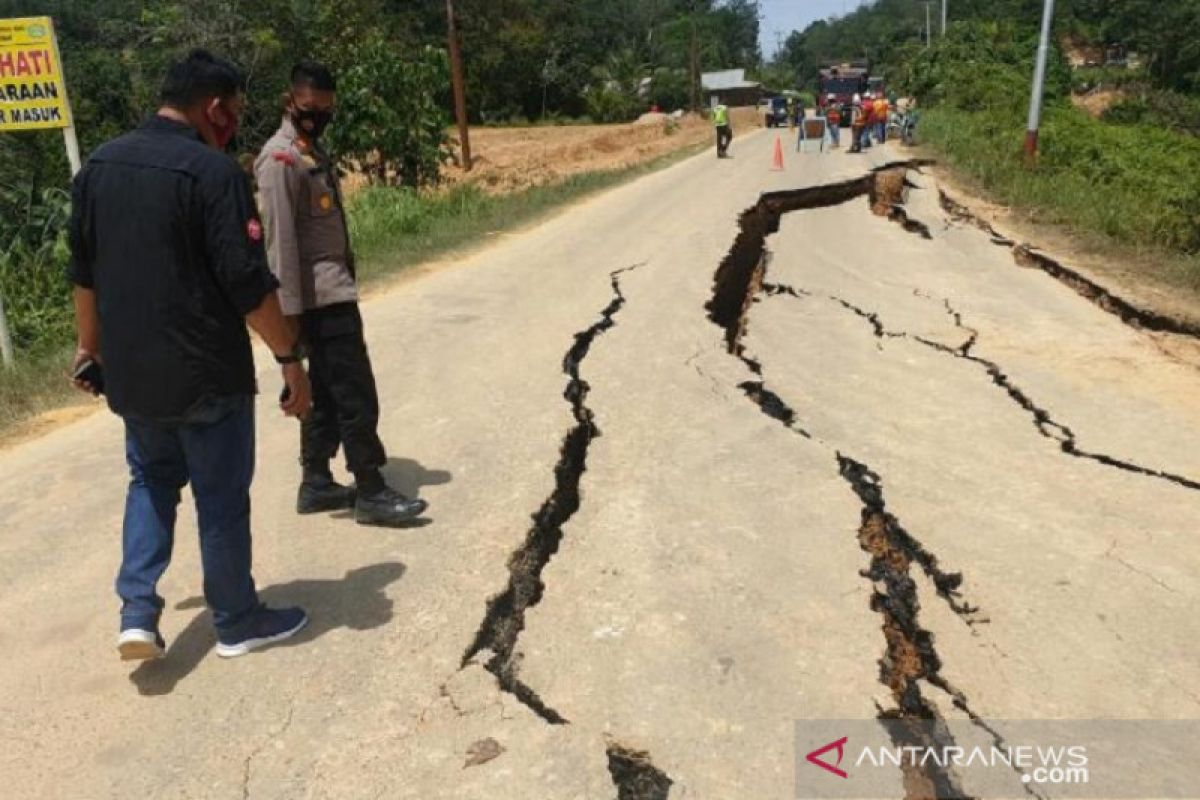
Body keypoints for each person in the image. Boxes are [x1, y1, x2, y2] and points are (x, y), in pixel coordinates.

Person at [68, 50, 313, 662]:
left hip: (132, 375)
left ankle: (137, 613)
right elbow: (248, 285)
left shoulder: (98, 166)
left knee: (150, 481)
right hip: (207, 375)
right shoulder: (213, 174)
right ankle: (235, 619)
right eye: (233, 111)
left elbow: (84, 274)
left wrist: (87, 349)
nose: (233, 123)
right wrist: (289, 358)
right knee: (220, 496)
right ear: (214, 107)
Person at [255, 61, 429, 526]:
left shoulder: (310, 150)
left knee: (329, 394)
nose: (321, 116)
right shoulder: (280, 160)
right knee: (354, 391)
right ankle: (370, 487)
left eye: (327, 109)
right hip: (317, 300)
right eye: (313, 109)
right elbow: (281, 247)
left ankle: (315, 482)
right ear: (290, 101)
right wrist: (288, 321)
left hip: (332, 291)